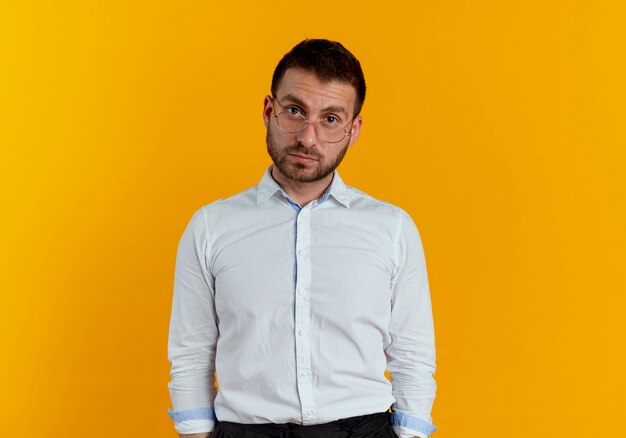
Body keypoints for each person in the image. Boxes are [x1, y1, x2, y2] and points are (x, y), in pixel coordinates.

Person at [167, 39, 437, 438]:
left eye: (330, 119)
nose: (308, 138)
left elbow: (413, 358)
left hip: (363, 429)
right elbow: (192, 354)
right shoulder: (210, 227)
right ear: (268, 111)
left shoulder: (392, 229)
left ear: (353, 129)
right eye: (295, 111)